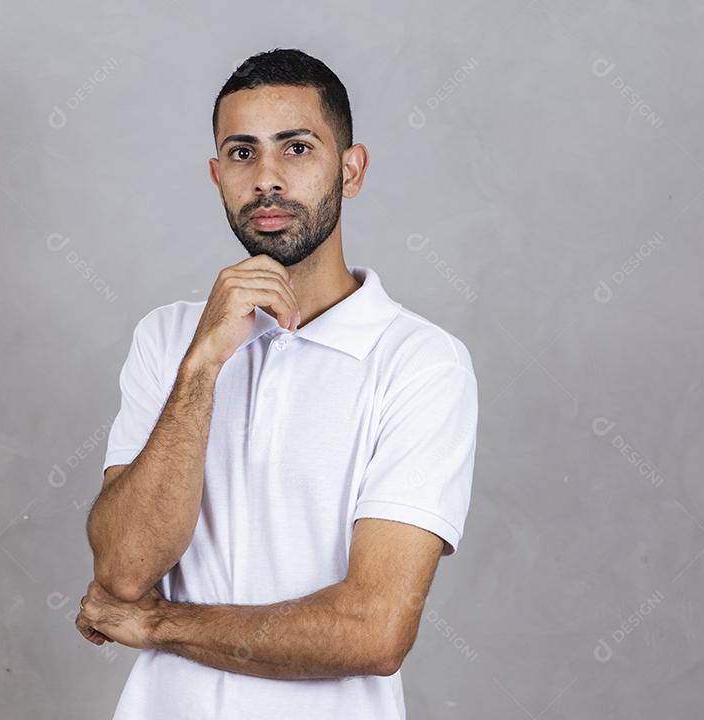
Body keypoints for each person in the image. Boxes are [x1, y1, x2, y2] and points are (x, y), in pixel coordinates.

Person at [77, 47, 479, 719]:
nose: (266, 178)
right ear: (216, 175)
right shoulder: (169, 339)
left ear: (350, 171)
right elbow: (122, 570)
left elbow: (373, 630)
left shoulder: (420, 362)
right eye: (241, 154)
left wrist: (159, 624)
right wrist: (202, 367)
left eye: (296, 148)